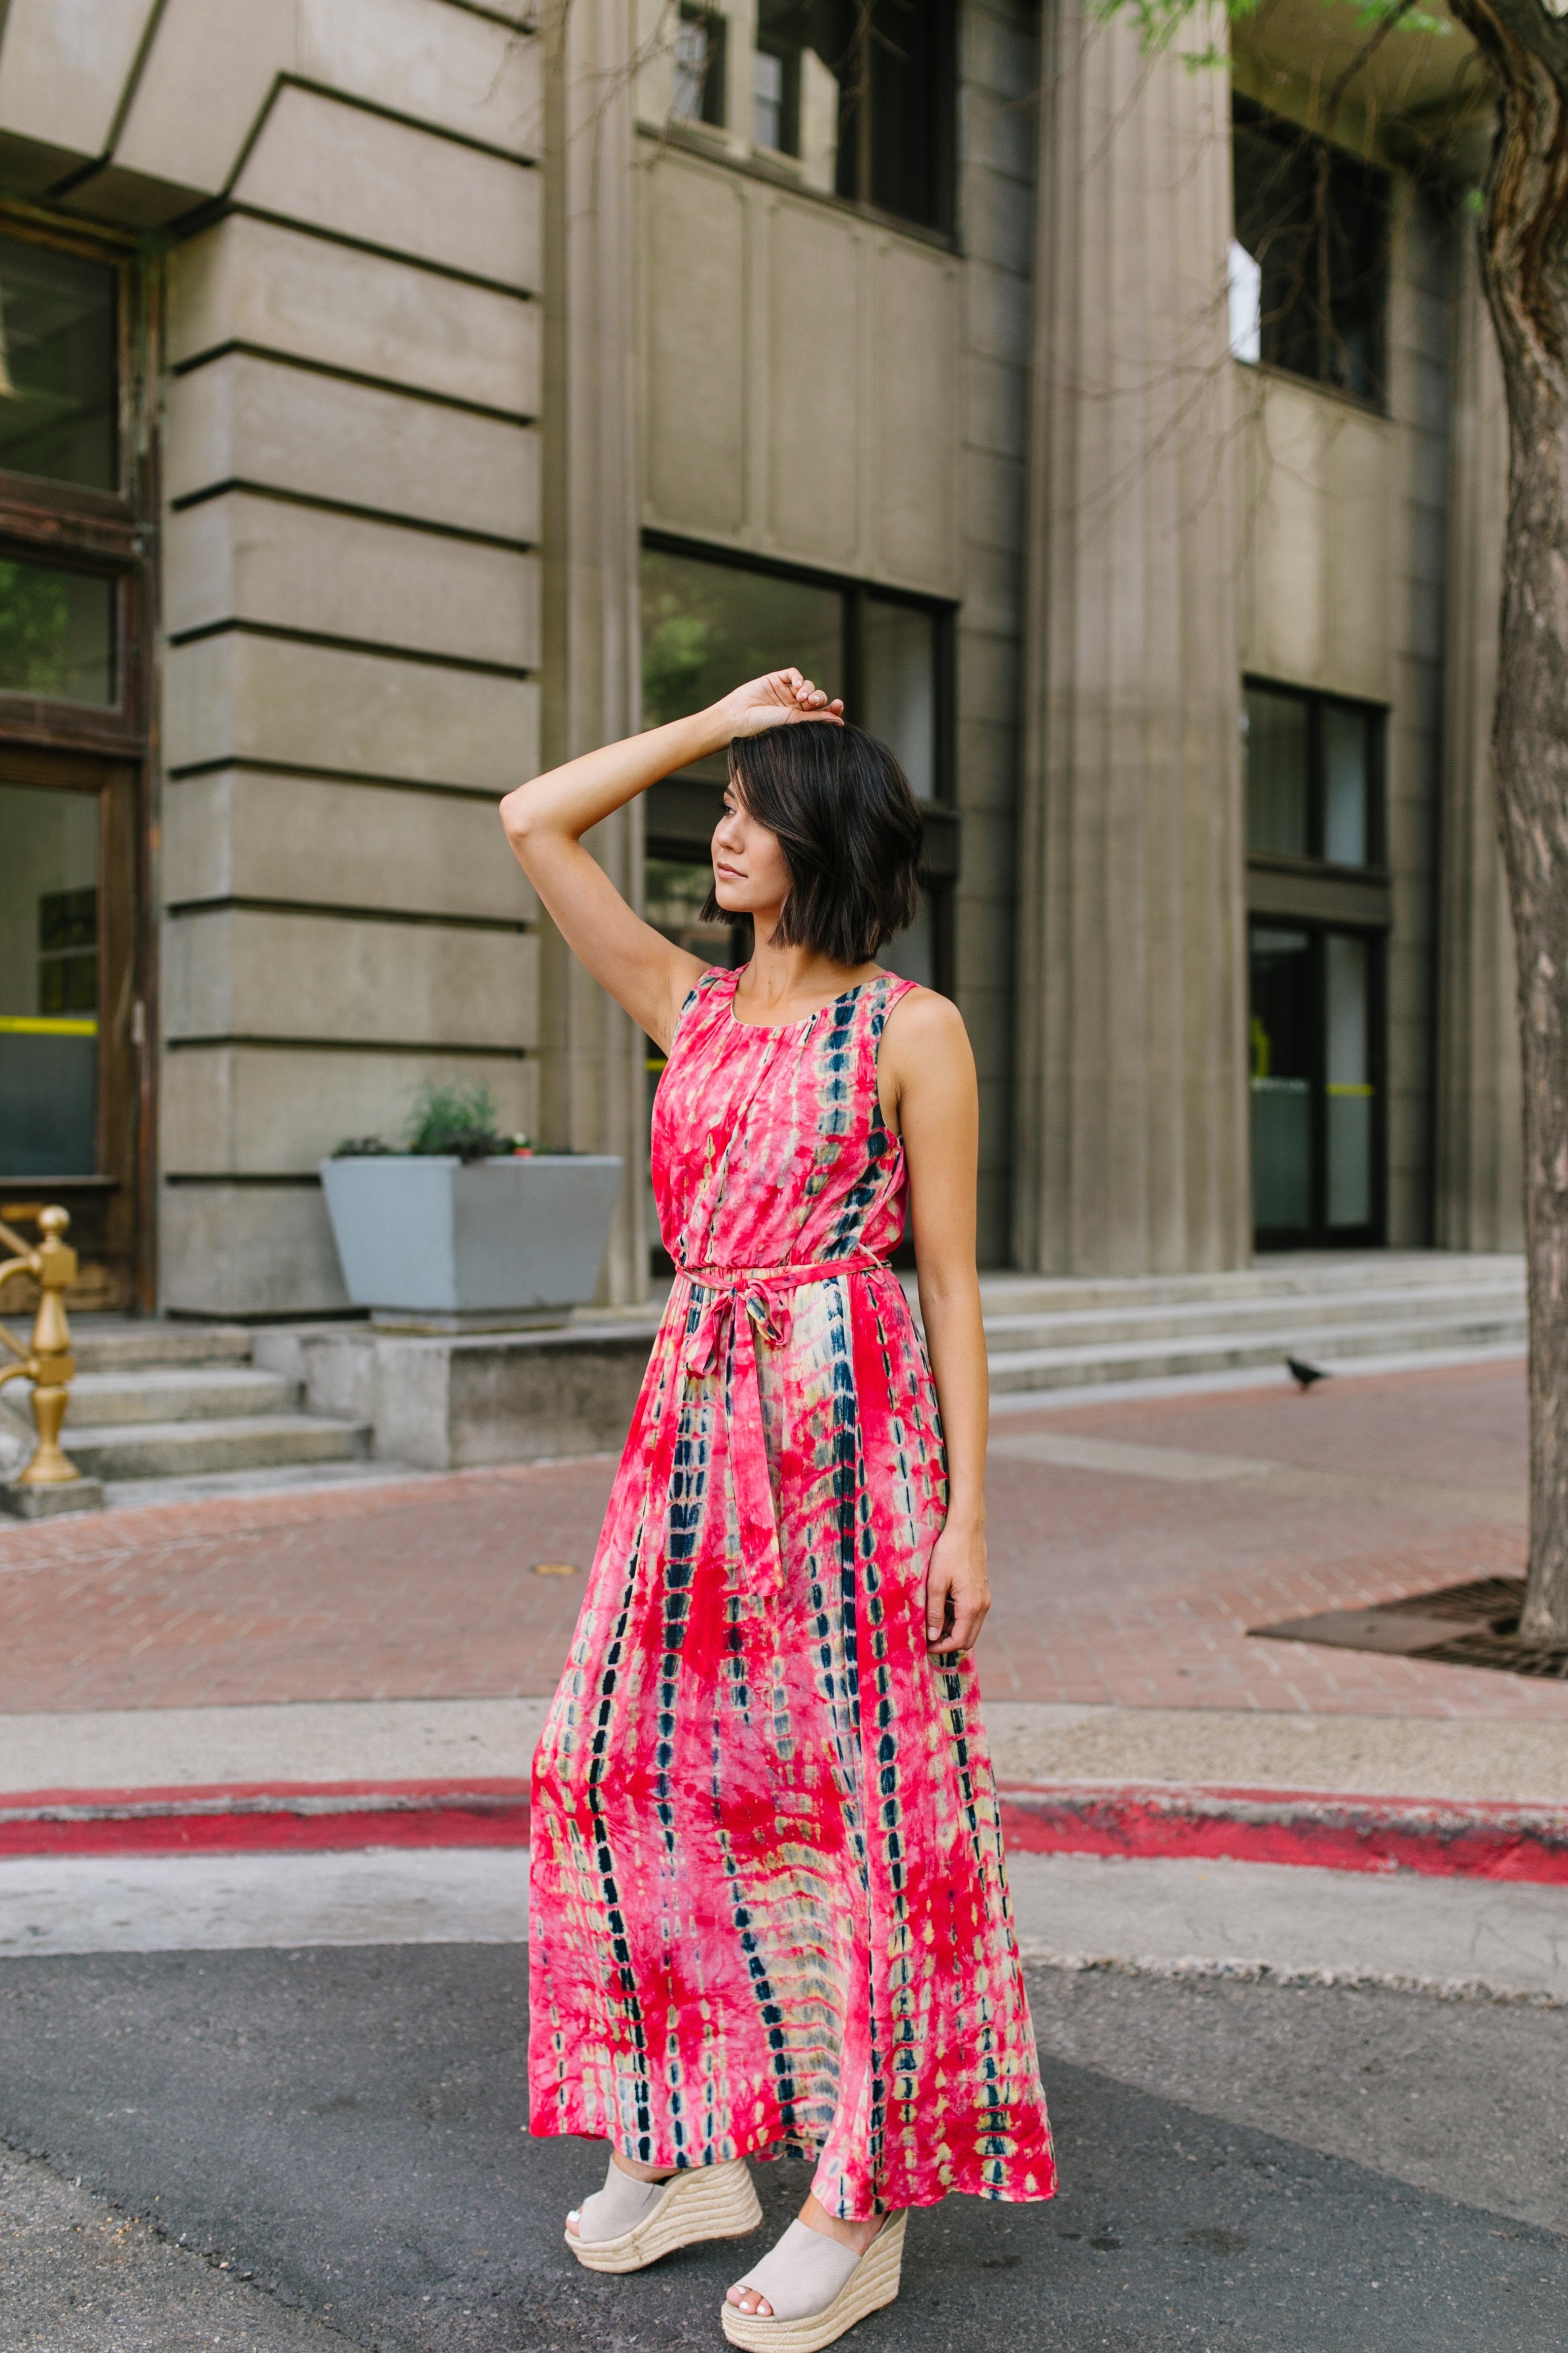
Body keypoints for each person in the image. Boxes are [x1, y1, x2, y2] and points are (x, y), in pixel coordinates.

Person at [501, 668, 1054, 2351]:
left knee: (865, 1814)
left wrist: (970, 1518)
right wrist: (715, 717)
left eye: (750, 806)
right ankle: (683, 2147)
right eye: (722, 803)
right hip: (690, 1427)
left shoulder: (913, 1030)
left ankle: (857, 2192)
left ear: (823, 839)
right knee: (606, 1766)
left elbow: (951, 1287)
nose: (720, 830)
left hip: (850, 1428)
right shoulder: (689, 1000)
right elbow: (534, 817)